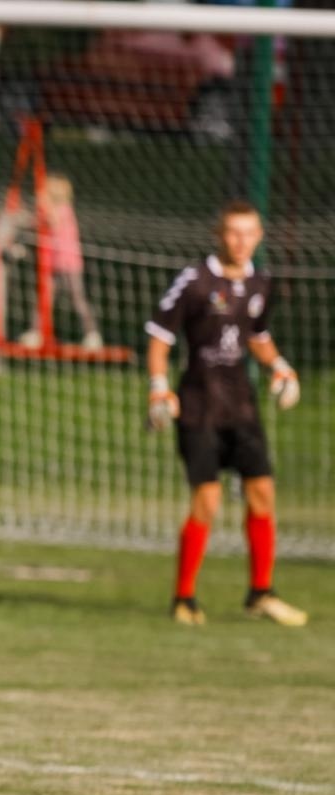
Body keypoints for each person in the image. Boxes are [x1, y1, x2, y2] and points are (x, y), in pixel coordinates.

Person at [144, 200, 306, 627]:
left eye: (249, 233)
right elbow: (160, 338)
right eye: (233, 232)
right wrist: (159, 388)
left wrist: (279, 365)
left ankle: (261, 594)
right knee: (208, 500)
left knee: (263, 492)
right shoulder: (195, 281)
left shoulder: (261, 282)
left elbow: (257, 335)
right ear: (219, 235)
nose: (241, 241)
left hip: (241, 406)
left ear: (260, 236)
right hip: (199, 406)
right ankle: (184, 598)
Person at [17, 173, 103, 351]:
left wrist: (44, 205)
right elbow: (36, 223)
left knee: (77, 299)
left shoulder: (64, 209)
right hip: (53, 264)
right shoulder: (49, 210)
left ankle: (92, 334)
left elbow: (54, 221)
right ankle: (35, 332)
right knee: (44, 298)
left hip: (69, 264)